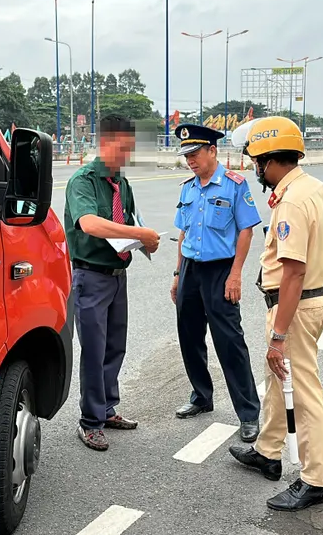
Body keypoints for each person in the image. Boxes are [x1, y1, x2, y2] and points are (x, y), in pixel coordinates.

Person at [228, 116, 323, 512]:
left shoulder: (291, 200)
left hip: (295, 303)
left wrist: (278, 335)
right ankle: (268, 451)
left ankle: (315, 479)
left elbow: (293, 272)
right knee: (278, 380)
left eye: (256, 161)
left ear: (270, 160)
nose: (255, 170)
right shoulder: (313, 187)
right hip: (310, 300)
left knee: (303, 392)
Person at [64, 114, 161, 452]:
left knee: (114, 346)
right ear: (105, 142)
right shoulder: (83, 180)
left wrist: (144, 240)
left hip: (118, 275)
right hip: (91, 276)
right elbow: (90, 223)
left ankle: (106, 409)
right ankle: (90, 422)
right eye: (123, 148)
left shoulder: (121, 181)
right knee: (94, 349)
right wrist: (138, 234)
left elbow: (130, 220)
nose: (126, 156)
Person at [170, 124, 263, 443]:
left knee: (230, 342)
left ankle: (249, 413)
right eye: (186, 156)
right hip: (190, 270)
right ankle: (201, 395)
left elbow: (246, 230)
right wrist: (177, 273)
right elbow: (182, 232)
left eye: (195, 154)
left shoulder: (235, 185)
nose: (190, 161)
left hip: (221, 271)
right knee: (189, 336)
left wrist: (236, 274)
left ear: (212, 151)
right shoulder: (188, 187)